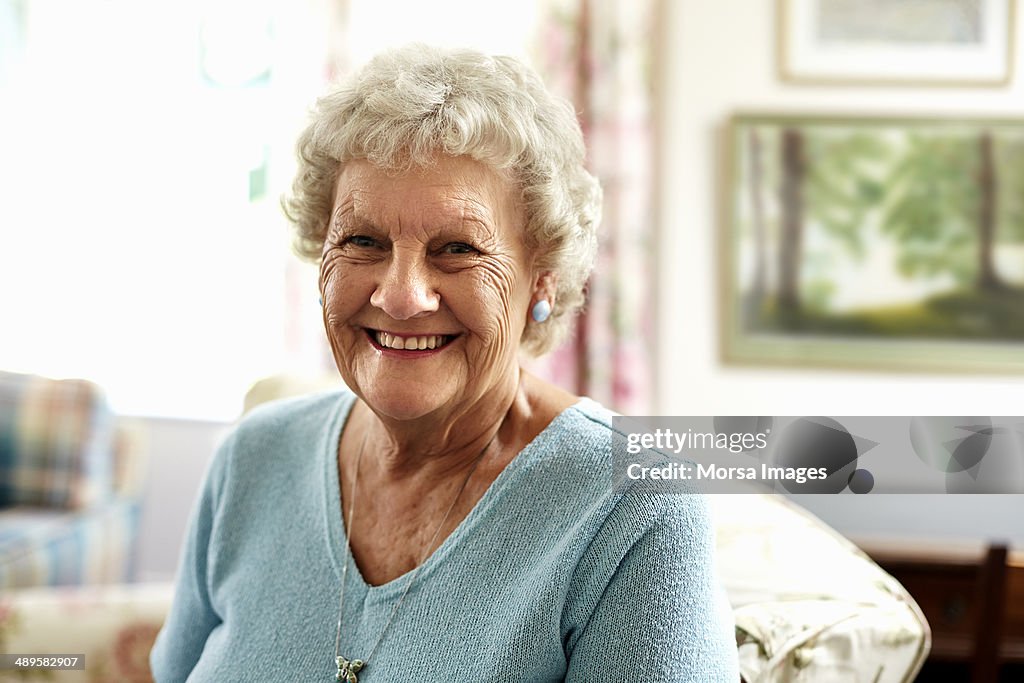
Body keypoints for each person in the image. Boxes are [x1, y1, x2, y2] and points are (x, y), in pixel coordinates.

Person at [150, 44, 738, 682]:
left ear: (541, 280)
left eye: (457, 248)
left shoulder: (635, 507)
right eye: (363, 241)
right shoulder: (254, 457)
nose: (401, 296)